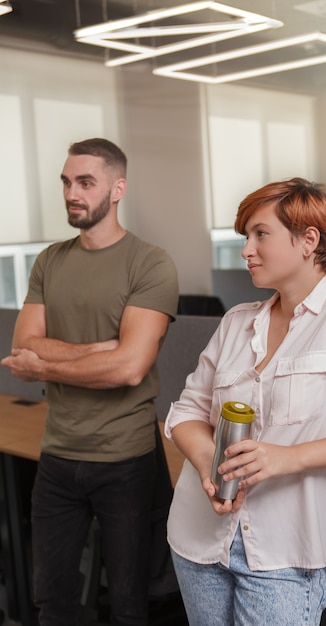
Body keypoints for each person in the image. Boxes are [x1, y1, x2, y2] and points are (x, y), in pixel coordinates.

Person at [163, 177, 326, 626]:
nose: (246, 250)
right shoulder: (238, 322)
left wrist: (287, 458)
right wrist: (206, 465)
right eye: (245, 237)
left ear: (308, 240)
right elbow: (186, 411)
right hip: (198, 538)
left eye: (261, 234)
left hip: (283, 552)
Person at [1, 137, 179, 626]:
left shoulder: (150, 262)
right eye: (65, 182)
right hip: (57, 454)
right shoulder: (50, 260)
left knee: (128, 607)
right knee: (52, 603)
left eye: (85, 182)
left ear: (117, 188)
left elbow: (129, 369)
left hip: (125, 459)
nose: (71, 193)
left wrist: (47, 365)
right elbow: (24, 345)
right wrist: (103, 348)